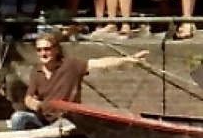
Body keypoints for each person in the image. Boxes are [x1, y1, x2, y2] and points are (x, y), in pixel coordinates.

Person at [10, 33, 148, 130]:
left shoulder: (71, 65)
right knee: (18, 117)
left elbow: (100, 63)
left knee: (65, 126)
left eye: (47, 49)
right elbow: (28, 97)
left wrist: (127, 60)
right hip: (43, 118)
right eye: (39, 50)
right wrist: (34, 104)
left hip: (65, 119)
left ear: (56, 50)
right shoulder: (36, 70)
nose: (43, 53)